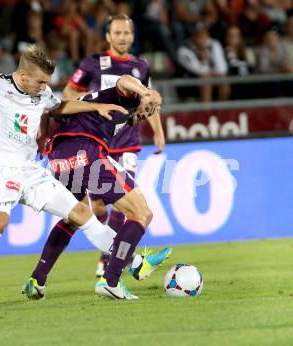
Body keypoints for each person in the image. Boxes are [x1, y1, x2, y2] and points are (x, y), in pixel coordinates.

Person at [0, 32, 135, 309]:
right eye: (41, 81)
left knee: (80, 212)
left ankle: (134, 262)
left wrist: (96, 106)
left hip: (30, 169)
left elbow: (58, 106)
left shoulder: (40, 92)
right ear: (23, 75)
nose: (45, 87)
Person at [23, 74, 171, 300]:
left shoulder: (110, 111)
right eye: (150, 107)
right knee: (141, 213)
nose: (149, 112)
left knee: (72, 218)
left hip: (59, 157)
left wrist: (41, 136)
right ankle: (111, 280)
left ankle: (37, 279)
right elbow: (123, 80)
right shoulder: (124, 97)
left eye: (153, 111)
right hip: (86, 150)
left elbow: (48, 111)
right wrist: (143, 91)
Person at [62, 13, 167, 277]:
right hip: (99, 142)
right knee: (98, 208)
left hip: (128, 143)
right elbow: (68, 94)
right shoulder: (93, 63)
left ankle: (108, 261)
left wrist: (158, 132)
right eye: (117, 33)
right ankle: (114, 254)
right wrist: (93, 104)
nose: (122, 38)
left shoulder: (141, 66)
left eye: (127, 33)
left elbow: (150, 102)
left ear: (133, 36)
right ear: (108, 36)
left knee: (124, 202)